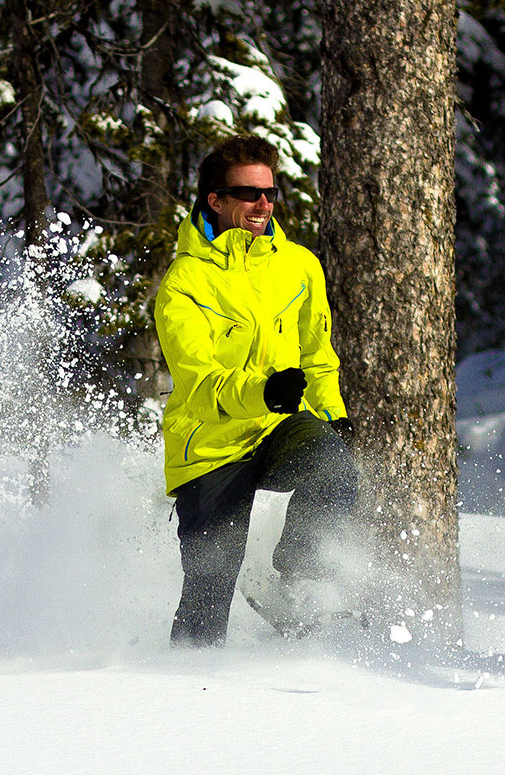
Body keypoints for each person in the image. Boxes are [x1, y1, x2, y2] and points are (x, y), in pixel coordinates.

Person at [153, 135, 360, 647]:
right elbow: (199, 383)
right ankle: (185, 678)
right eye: (248, 193)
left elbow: (317, 354)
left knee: (333, 468)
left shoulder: (298, 265)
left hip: (277, 425)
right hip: (209, 443)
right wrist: (263, 391)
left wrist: (331, 414)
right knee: (209, 588)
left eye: (270, 192)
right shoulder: (184, 282)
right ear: (216, 200)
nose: (263, 204)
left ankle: (298, 587)